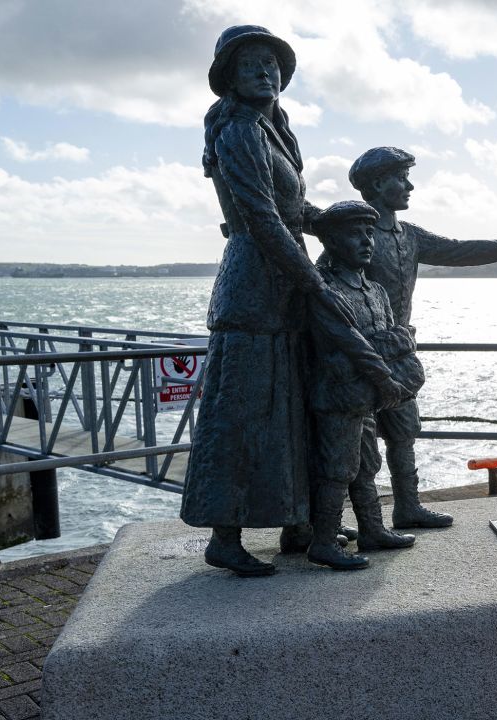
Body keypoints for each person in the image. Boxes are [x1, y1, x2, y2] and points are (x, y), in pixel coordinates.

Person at [180, 26, 395, 577]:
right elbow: (262, 219)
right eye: (250, 63)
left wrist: (335, 221)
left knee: (292, 407)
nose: (265, 72)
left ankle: (297, 524)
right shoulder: (237, 131)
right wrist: (315, 281)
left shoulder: (274, 130)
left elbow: (294, 212)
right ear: (228, 75)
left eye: (272, 64)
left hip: (283, 286)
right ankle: (224, 537)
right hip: (254, 285)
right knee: (241, 412)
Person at [347, 147, 497, 529]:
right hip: (359, 351)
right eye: (401, 178)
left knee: (403, 431)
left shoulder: (408, 235)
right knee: (358, 438)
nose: (409, 186)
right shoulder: (354, 232)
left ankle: (407, 506)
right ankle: (368, 522)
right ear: (378, 183)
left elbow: (459, 250)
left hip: (399, 350)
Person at [305, 200, 420, 570]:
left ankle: (372, 529)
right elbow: (346, 347)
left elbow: (391, 339)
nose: (367, 240)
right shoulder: (325, 290)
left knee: (367, 465)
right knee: (338, 469)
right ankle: (323, 541)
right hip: (339, 396)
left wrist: (387, 347)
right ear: (332, 241)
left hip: (368, 397)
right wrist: (388, 347)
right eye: (356, 233)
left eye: (370, 232)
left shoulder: (375, 291)